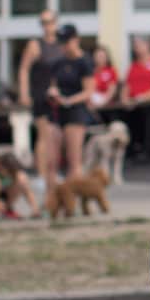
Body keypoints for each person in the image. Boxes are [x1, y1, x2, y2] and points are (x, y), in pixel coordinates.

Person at [17, 10, 65, 181]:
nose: (47, 26)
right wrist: (24, 93)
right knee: (44, 135)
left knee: (58, 135)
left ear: (56, 22)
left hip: (59, 96)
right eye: (43, 22)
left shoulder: (61, 44)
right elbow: (24, 68)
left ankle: (54, 170)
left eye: (50, 22)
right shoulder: (35, 45)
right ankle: (42, 173)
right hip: (40, 95)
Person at [47, 24, 96, 182]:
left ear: (76, 40)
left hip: (75, 112)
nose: (64, 46)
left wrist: (68, 101)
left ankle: (73, 201)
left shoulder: (84, 62)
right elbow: (53, 84)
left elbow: (88, 91)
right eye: (62, 43)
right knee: (52, 160)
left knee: (73, 159)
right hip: (57, 111)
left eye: (67, 42)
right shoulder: (58, 63)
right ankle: (51, 200)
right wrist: (53, 92)